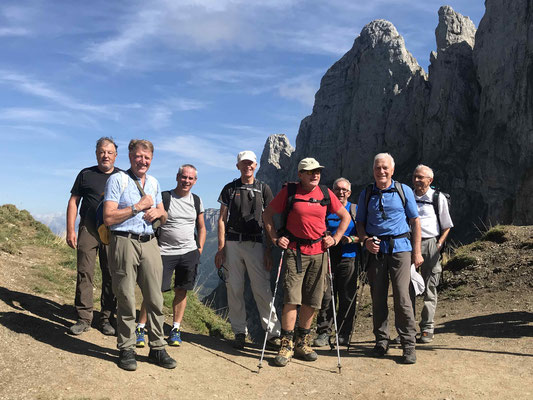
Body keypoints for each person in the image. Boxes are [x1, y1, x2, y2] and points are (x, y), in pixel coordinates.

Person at [263, 157, 350, 367]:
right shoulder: (289, 192)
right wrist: (275, 238)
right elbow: (267, 215)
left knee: (312, 300)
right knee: (291, 298)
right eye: (310, 172)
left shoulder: (326, 194)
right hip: (295, 251)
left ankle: (302, 342)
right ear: (300, 174)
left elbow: (345, 217)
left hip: (319, 252)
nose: (315, 175)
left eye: (317, 171)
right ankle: (287, 343)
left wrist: (335, 238)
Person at [103, 139, 176, 371]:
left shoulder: (154, 182)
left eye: (147, 157)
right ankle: (126, 348)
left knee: (155, 296)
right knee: (125, 296)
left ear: (151, 159)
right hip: (124, 240)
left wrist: (157, 212)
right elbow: (108, 217)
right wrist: (138, 206)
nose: (142, 161)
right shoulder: (117, 179)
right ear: (130, 156)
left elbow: (164, 216)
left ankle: (157, 347)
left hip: (150, 242)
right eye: (138, 156)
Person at [355, 152, 423, 364]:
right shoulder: (366, 193)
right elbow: (360, 223)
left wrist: (417, 251)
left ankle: (408, 344)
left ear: (392, 170)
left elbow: (415, 221)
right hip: (375, 251)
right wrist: (365, 241)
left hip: (401, 248)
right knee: (378, 297)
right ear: (373, 170)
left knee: (402, 297)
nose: (381, 171)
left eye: (385, 168)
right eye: (378, 168)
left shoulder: (404, 190)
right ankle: (381, 341)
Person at [214, 150, 281, 349]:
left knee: (262, 289)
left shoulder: (264, 188)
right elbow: (221, 220)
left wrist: (268, 250)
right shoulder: (229, 188)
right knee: (234, 288)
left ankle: (273, 334)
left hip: (256, 244)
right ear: (238, 166)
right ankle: (239, 332)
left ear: (255, 165)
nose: (247, 166)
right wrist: (221, 248)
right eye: (244, 163)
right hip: (233, 243)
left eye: (250, 163)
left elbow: (269, 220)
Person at [135, 164, 206, 348]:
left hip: (189, 252)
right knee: (154, 290)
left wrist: (199, 249)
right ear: (177, 177)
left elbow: (201, 226)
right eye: (184, 177)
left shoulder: (197, 200)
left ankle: (175, 329)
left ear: (195, 181)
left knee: (182, 290)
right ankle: (141, 327)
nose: (187, 181)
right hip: (164, 252)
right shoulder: (166, 197)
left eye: (190, 178)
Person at [66, 137, 119, 336]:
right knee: (84, 272)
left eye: (109, 152)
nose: (105, 155)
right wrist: (70, 229)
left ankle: (106, 318)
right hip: (88, 229)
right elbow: (74, 201)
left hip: (112, 230)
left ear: (115, 156)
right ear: (97, 154)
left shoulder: (122, 177)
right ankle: (83, 318)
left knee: (111, 274)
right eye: (102, 152)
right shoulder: (85, 174)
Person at [314, 177, 360, 347]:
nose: (341, 192)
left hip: (349, 256)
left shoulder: (355, 210)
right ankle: (323, 332)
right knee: (325, 295)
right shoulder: (325, 208)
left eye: (344, 190)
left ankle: (343, 333)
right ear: (332, 191)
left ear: (349, 192)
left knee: (347, 295)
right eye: (337, 189)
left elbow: (364, 234)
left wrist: (352, 239)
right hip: (326, 255)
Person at [412, 164, 453, 343]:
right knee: (407, 288)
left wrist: (438, 244)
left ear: (430, 180)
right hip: (409, 243)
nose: (417, 180)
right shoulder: (407, 196)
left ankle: (427, 328)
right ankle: (408, 329)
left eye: (421, 177)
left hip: (430, 243)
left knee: (430, 286)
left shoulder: (438, 198)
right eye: (415, 176)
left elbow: (447, 225)